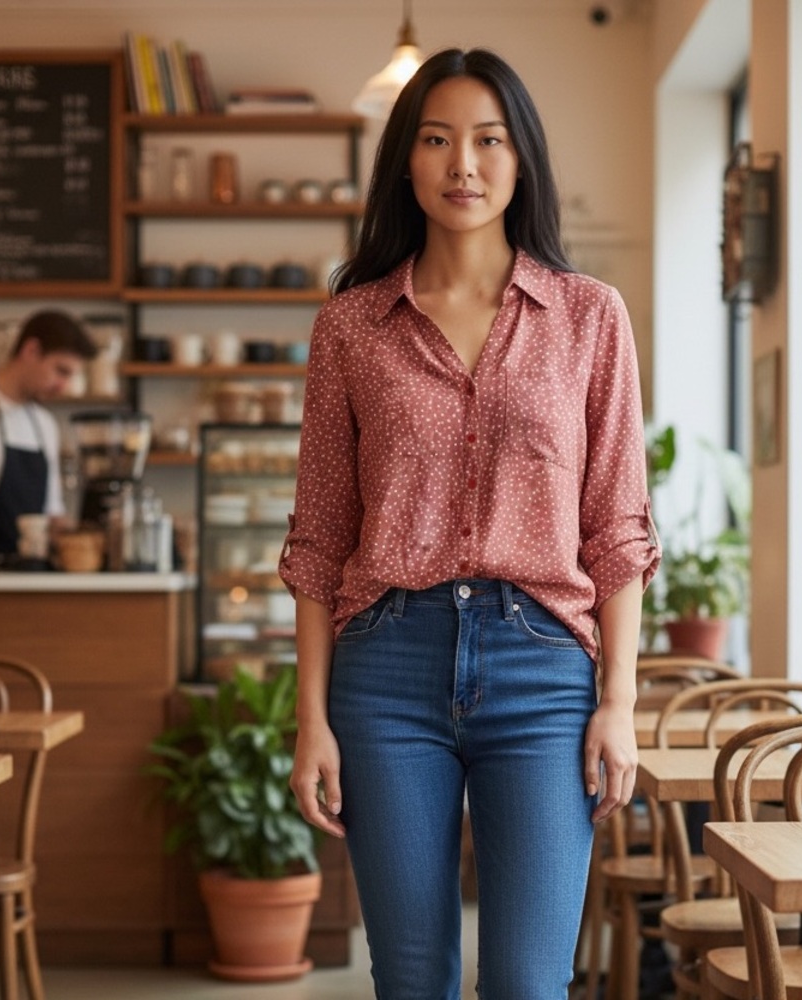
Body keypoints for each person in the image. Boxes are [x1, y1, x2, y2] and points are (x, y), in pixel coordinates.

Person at [279, 47, 660, 998]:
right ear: (405, 163)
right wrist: (310, 721)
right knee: (411, 980)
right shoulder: (353, 328)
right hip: (386, 670)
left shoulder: (588, 318)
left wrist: (618, 701)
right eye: (437, 140)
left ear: (520, 159)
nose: (464, 165)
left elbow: (618, 525)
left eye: (489, 141)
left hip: (543, 671)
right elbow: (320, 539)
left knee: (530, 982)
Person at [0, 310, 97, 561]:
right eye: (61, 371)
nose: (64, 386)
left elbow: (52, 513)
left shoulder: (45, 425)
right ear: (31, 350)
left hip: (29, 579)